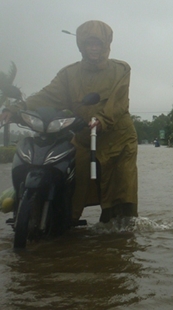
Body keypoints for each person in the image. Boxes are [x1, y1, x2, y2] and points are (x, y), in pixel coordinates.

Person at [11, 20, 138, 223]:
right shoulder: (69, 74)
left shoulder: (121, 70)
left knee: (120, 193)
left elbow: (118, 101)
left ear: (106, 44)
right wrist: (18, 109)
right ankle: (61, 225)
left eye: (98, 44)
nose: (94, 49)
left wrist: (102, 120)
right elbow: (47, 95)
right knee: (72, 184)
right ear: (81, 46)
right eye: (89, 44)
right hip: (84, 136)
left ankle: (118, 236)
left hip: (118, 140)